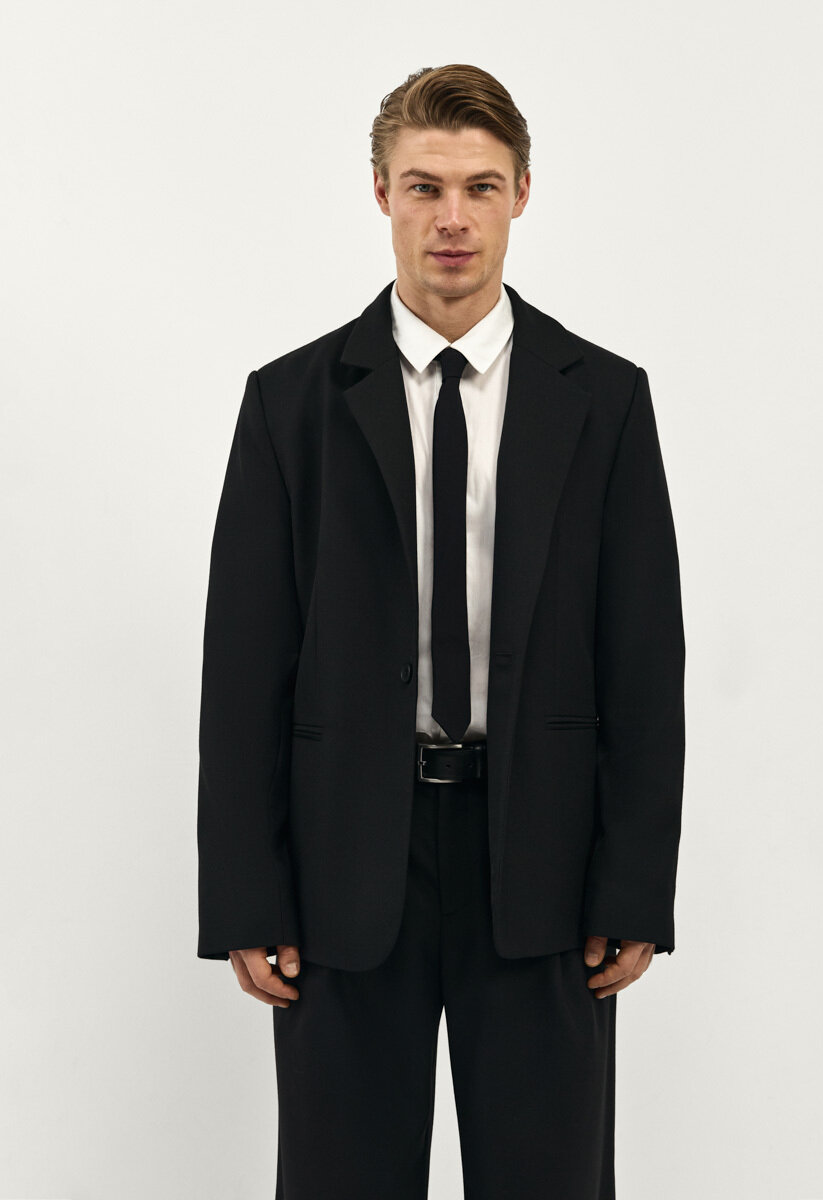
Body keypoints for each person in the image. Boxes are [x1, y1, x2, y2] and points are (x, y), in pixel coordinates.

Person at [197, 62, 685, 1200]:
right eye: (424, 187)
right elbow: (245, 668)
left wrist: (633, 883)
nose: (452, 218)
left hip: (544, 861)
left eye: (479, 187)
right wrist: (247, 895)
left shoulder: (605, 400)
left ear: (522, 195)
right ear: (381, 194)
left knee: (551, 1179)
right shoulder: (291, 403)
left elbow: (642, 660)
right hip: (346, 862)